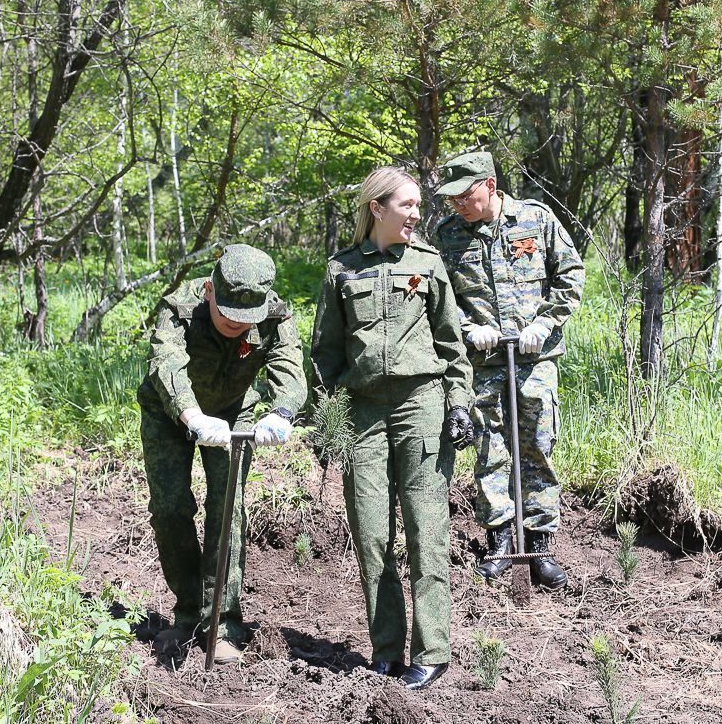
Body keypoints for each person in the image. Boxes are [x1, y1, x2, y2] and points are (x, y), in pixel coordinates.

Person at [310, 166, 474, 691]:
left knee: (427, 531)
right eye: (407, 205)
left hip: (420, 405)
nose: (417, 214)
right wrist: (325, 421)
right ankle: (385, 650)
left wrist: (459, 404)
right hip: (363, 413)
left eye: (418, 205)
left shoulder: (428, 263)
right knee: (371, 534)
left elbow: (452, 345)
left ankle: (432, 652)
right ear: (377, 208)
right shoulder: (341, 269)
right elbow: (325, 353)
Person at [137, 244, 307, 663]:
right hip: (170, 412)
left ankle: (222, 624)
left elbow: (289, 366)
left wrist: (282, 412)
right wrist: (192, 415)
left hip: (234, 413)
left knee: (227, 508)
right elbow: (166, 363)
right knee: (170, 507)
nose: (237, 323)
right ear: (210, 290)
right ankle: (187, 613)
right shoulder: (180, 308)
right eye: (229, 313)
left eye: (247, 317)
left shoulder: (275, 314)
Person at [433, 152, 585, 590]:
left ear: (490, 185)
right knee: (489, 449)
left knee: (537, 447)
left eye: (465, 195)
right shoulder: (447, 235)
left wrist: (545, 323)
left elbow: (570, 274)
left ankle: (539, 545)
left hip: (535, 360)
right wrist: (468, 328)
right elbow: (441, 299)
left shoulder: (536, 219)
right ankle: (500, 541)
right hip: (483, 362)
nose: (458, 204)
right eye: (452, 198)